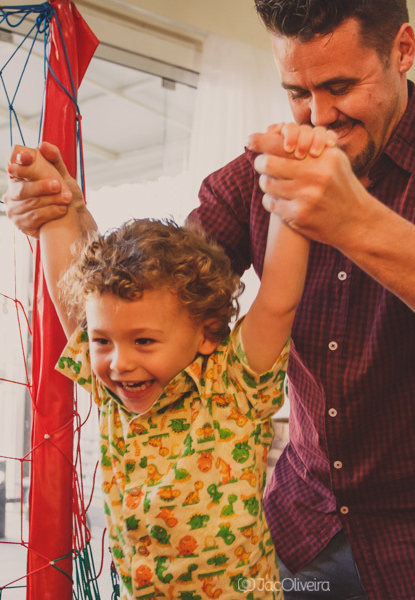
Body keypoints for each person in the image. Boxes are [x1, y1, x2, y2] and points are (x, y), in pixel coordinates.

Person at [5, 1, 415, 598]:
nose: (320, 115)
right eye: (298, 92)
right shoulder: (261, 171)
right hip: (306, 525)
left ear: (402, 50)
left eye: (340, 86)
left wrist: (356, 222)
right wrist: (68, 216)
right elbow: (152, 302)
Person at [20, 129, 334, 598]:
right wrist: (53, 203)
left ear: (207, 331)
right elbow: (69, 292)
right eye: (103, 340)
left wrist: (292, 189)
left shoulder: (232, 386)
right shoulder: (116, 396)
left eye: (144, 340)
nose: (119, 362)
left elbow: (279, 300)